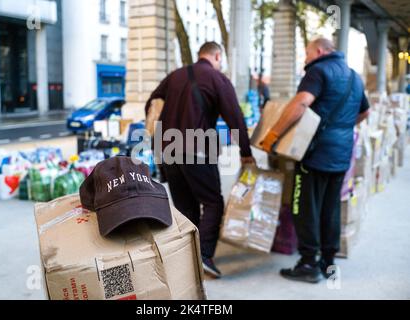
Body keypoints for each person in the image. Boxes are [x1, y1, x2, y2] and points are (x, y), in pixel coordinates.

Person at [260, 38, 370, 283]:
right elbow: (365, 112)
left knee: (304, 206)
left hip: (315, 154)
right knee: (330, 207)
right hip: (341, 155)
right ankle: (328, 262)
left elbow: (301, 103)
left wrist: (273, 136)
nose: (305, 59)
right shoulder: (354, 76)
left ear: (319, 51)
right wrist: (340, 129)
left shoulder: (318, 70)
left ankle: (309, 263)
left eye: (307, 54)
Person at [145, 42, 255, 278]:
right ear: (217, 56)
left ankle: (187, 257)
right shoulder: (217, 79)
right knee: (213, 202)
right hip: (197, 150)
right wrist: (246, 152)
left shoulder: (174, 76)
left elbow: (152, 103)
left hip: (166, 151)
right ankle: (204, 255)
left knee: (186, 207)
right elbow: (235, 118)